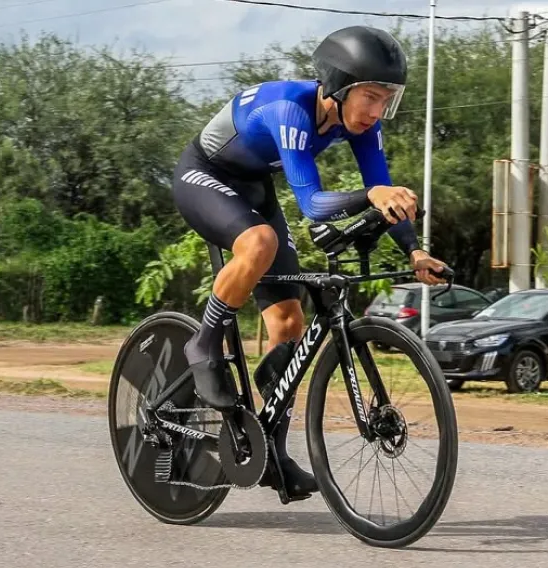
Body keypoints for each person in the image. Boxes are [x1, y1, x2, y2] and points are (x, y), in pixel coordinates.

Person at [170, 25, 449, 497]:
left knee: (289, 323)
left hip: (253, 187)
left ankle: (273, 456)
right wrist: (371, 193)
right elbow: (314, 204)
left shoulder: (360, 125)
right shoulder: (289, 110)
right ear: (339, 86)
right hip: (204, 175)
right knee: (260, 243)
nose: (377, 111)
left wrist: (414, 250)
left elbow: (384, 194)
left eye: (387, 100)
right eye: (371, 97)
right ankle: (204, 344)